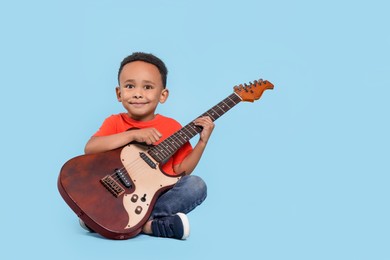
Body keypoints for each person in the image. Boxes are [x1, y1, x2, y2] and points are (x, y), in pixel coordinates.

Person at [79, 52, 214, 240]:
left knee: (196, 185)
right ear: (119, 93)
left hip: (150, 199)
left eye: (148, 87)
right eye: (129, 86)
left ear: (163, 95)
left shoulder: (173, 128)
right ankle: (148, 226)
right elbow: (91, 147)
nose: (138, 93)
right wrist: (133, 134)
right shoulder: (115, 122)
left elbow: (181, 171)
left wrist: (202, 142)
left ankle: (121, 222)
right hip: (113, 195)